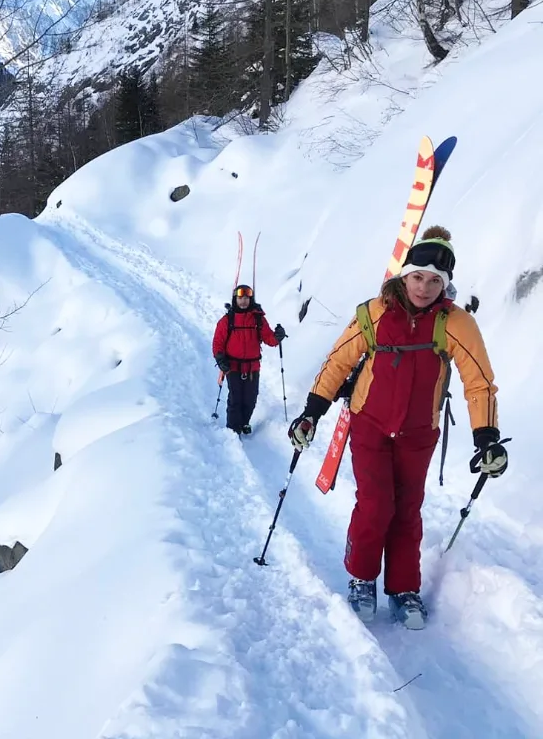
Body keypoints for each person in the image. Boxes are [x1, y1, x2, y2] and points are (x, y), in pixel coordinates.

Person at [287, 226, 507, 629]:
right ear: (403, 275)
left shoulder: (456, 324)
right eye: (417, 277)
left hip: (419, 432)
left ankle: (404, 588)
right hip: (369, 425)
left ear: (446, 285)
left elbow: (479, 382)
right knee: (376, 505)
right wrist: (311, 412)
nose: (424, 288)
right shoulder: (373, 312)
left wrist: (486, 438)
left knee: (407, 511)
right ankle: (362, 577)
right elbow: (337, 362)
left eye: (435, 281)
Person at [213, 284, 286, 435]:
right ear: (235, 299)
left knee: (250, 399)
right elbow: (218, 342)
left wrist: (277, 336)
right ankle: (233, 431)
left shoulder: (258, 318)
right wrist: (220, 359)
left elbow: (269, 338)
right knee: (235, 399)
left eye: (246, 298)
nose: (243, 301)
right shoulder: (227, 320)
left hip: (252, 367)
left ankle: (244, 423)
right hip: (232, 366)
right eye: (240, 298)